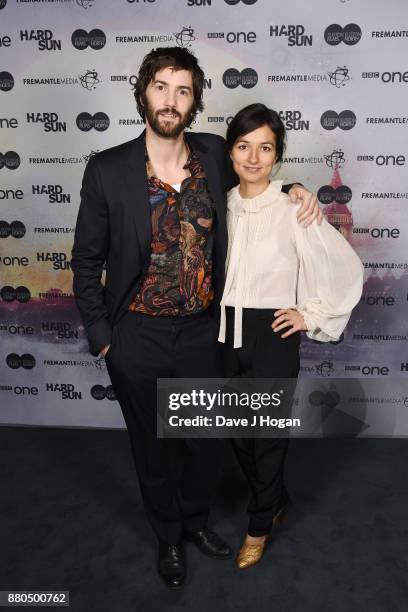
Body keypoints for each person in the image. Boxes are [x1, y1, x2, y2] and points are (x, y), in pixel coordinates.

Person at [71, 47, 321, 590]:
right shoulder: (108, 169)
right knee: (153, 447)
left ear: (195, 100)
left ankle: (195, 521)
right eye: (162, 87)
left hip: (201, 332)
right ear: (144, 92)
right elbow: (87, 262)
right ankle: (167, 538)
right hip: (135, 333)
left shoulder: (210, 154)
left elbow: (258, 171)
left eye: (183, 90)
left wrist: (299, 191)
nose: (171, 100)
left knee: (205, 443)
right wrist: (103, 339)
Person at [218, 103, 364, 569]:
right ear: (231, 151)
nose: (254, 157)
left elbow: (342, 266)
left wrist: (309, 315)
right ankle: (275, 497)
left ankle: (258, 525)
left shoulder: (293, 205)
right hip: (222, 330)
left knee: (267, 436)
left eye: (266, 147)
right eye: (244, 146)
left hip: (272, 332)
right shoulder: (218, 206)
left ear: (278, 155)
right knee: (236, 431)